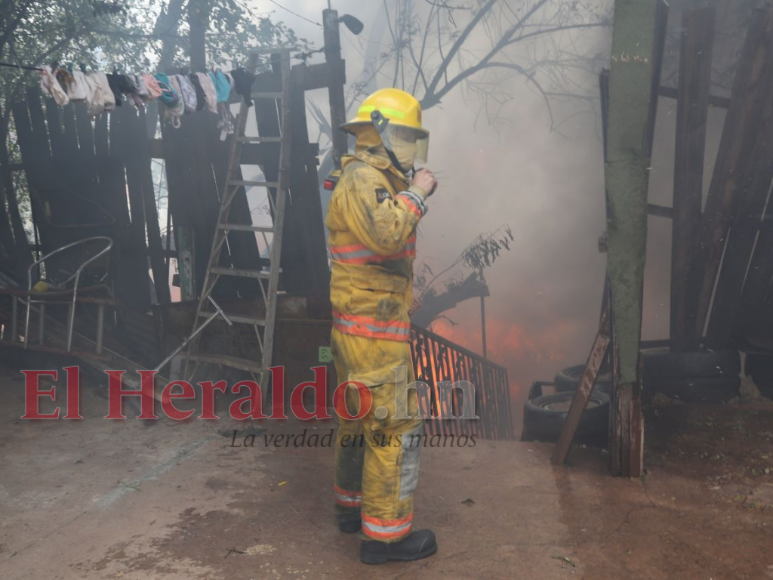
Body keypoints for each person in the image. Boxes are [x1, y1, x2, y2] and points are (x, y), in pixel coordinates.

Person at [325, 88, 438, 565]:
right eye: (407, 135)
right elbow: (387, 234)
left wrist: (406, 191)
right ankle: (385, 538)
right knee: (395, 427)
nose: (412, 146)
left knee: (358, 420)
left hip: (359, 332)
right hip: (373, 336)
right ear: (383, 133)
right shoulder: (365, 180)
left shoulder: (366, 178)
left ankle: (352, 508)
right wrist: (418, 192)